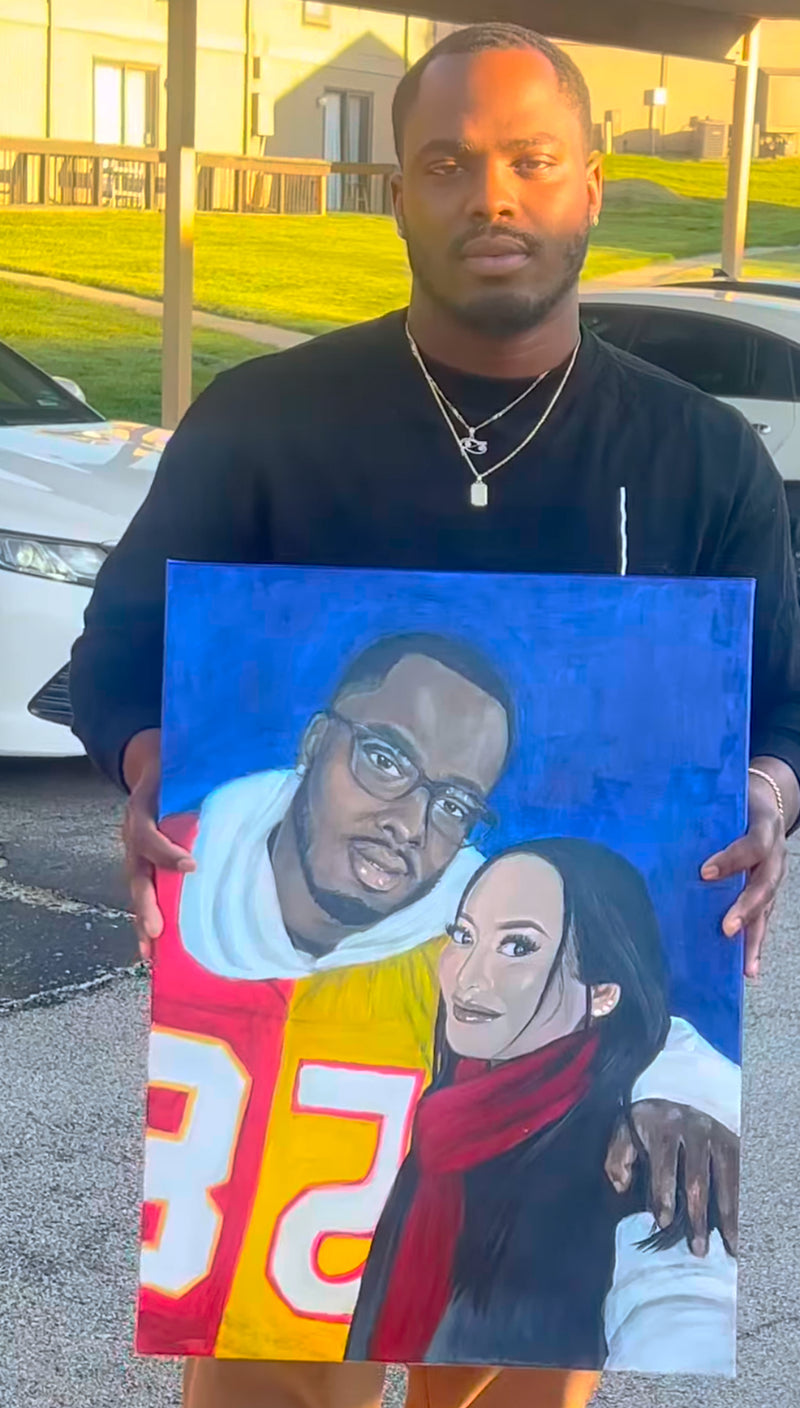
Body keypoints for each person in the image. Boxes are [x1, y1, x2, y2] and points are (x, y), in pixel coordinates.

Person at [69, 18, 800, 1408]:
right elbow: (119, 658)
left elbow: (782, 707)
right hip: (288, 1086)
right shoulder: (264, 423)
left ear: (592, 184)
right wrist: (155, 768)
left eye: (532, 160)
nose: (494, 197)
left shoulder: (703, 459)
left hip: (535, 1099)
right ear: (396, 190)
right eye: (450, 163)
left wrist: (765, 797)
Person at [139, 630, 738, 1367]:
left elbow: (623, 1013)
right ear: (316, 742)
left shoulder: (469, 923)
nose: (409, 825)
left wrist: (682, 1095)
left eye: (454, 804)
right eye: (385, 760)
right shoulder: (176, 872)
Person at [346, 840, 737, 1375]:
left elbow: (683, 1319)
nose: (468, 976)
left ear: (603, 993)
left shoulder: (640, 1153)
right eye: (463, 936)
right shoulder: (451, 1121)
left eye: (517, 947)